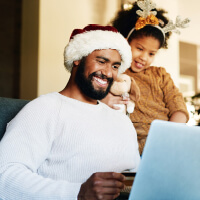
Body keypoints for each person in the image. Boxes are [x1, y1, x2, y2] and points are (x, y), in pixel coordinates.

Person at [0, 25, 140, 200]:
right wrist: (77, 193)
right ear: (78, 59)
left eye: (115, 66)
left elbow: (137, 178)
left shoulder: (122, 121)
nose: (108, 73)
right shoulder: (44, 108)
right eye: (101, 61)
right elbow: (4, 176)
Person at [102, 0, 190, 154]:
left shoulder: (160, 75)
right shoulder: (115, 73)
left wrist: (168, 136)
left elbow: (179, 108)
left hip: (167, 139)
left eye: (151, 54)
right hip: (133, 145)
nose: (144, 57)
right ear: (125, 41)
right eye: (139, 48)